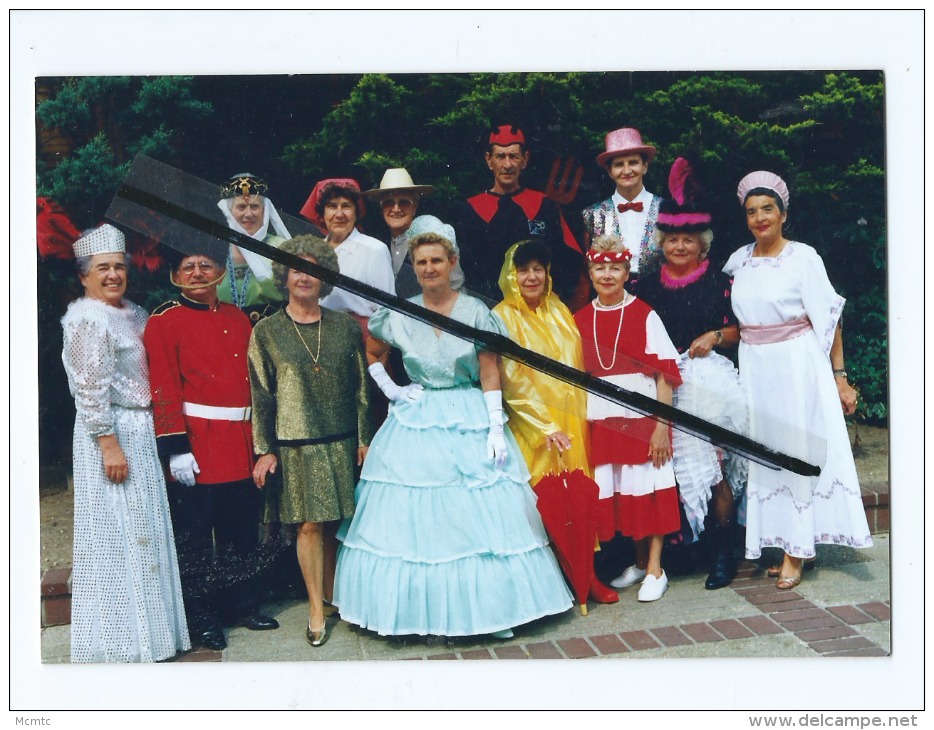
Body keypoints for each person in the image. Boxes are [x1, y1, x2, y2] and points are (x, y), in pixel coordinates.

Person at [334, 229, 573, 638]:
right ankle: (424, 615)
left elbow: (489, 369)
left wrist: (496, 427)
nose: (429, 269)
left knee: (478, 516)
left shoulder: (477, 311)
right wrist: (393, 389)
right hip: (418, 416)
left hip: (468, 411)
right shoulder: (398, 312)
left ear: (452, 264)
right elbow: (373, 352)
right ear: (414, 268)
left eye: (437, 261)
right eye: (422, 262)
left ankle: (487, 614)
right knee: (421, 518)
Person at [724, 171, 872, 589]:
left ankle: (797, 550)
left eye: (767, 209)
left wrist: (840, 378)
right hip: (756, 367)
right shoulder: (739, 261)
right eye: (751, 211)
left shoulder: (804, 258)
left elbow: (830, 321)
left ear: (783, 213)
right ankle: (783, 538)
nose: (759, 218)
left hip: (797, 368)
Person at [143, 241, 280, 651]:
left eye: (205, 264)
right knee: (197, 539)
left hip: (239, 442)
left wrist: (260, 446)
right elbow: (163, 386)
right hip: (197, 446)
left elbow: (253, 386)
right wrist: (175, 447)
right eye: (189, 265)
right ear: (175, 275)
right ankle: (202, 617)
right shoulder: (164, 321)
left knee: (241, 533)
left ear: (220, 271)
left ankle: (243, 605)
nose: (198, 272)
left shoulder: (239, 318)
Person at [61, 224, 189, 662]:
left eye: (119, 266)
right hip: (111, 432)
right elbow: (89, 389)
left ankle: (152, 634)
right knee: (117, 530)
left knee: (143, 529)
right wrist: (108, 445)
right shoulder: (86, 318)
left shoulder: (133, 312)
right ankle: (120, 640)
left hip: (140, 428)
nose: (113, 274)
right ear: (84, 276)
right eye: (103, 268)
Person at [629, 158, 748, 590]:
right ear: (661, 242)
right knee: (665, 467)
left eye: (688, 240)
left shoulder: (719, 281)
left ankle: (722, 551)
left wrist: (715, 335)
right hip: (660, 380)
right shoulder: (645, 284)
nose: (679, 246)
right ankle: (682, 549)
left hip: (705, 377)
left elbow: (741, 331)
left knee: (709, 463)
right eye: (672, 239)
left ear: (702, 244)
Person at [249, 235, 372, 648]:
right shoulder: (266, 331)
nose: (305, 277)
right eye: (296, 269)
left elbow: (361, 389)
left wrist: (364, 437)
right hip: (295, 444)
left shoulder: (343, 327)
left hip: (341, 439)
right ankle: (316, 608)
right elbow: (261, 395)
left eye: (313, 270)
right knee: (309, 525)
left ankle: (334, 596)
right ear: (284, 276)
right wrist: (264, 449)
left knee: (337, 522)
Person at [492, 239, 618, 606]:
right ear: (511, 274)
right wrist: (545, 427)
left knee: (578, 497)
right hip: (535, 429)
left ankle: (587, 575)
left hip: (574, 422)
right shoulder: (502, 317)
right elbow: (512, 380)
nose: (531, 277)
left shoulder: (560, 309)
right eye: (523, 269)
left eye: (538, 269)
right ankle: (559, 580)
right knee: (547, 501)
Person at [573, 235, 683, 602]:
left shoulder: (644, 314)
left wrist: (661, 428)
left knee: (648, 492)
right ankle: (637, 563)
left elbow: (665, 374)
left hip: (641, 420)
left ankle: (656, 568)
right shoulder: (579, 319)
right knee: (624, 495)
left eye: (615, 268)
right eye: (600, 267)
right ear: (590, 272)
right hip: (603, 421)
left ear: (626, 272)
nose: (607, 275)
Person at [458, 124, 582, 303]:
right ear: (488, 160)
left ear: (525, 159)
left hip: (540, 307)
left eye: (513, 156)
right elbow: (468, 270)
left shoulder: (545, 206)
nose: (507, 164)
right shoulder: (472, 210)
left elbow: (569, 258)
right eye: (500, 156)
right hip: (492, 309)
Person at [299, 178, 396, 335]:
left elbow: (386, 312)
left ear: (356, 213)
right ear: (322, 214)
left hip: (361, 339)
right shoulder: (313, 252)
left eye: (346, 206)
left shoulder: (374, 249)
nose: (339, 214)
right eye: (332, 206)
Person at [363, 167, 465, 298]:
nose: (396, 209)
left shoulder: (433, 236)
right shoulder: (376, 240)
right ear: (381, 208)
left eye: (404, 202)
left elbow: (455, 286)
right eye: (388, 203)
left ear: (415, 206)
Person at [581, 128, 664, 282]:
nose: (627, 171)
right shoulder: (592, 214)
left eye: (633, 162)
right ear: (610, 171)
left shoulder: (666, 210)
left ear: (645, 166)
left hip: (659, 296)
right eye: (619, 165)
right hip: (610, 296)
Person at [216, 173, 292, 323]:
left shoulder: (283, 248)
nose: (248, 214)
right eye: (241, 207)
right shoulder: (216, 247)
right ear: (229, 212)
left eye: (255, 206)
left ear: (265, 211)